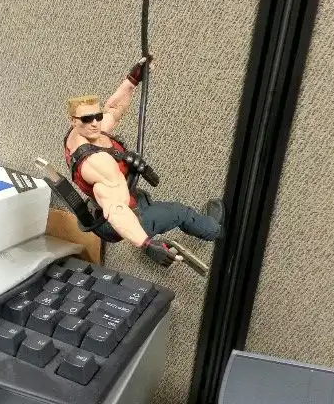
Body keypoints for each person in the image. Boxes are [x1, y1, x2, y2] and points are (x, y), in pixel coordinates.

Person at [63, 56, 225, 266]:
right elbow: (116, 209)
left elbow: (114, 109)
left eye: (97, 116)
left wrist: (132, 81)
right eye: (87, 119)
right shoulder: (98, 163)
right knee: (179, 212)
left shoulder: (78, 135)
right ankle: (213, 230)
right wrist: (146, 244)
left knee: (143, 200)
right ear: (73, 120)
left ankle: (146, 222)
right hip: (113, 219)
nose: (95, 123)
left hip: (109, 203)